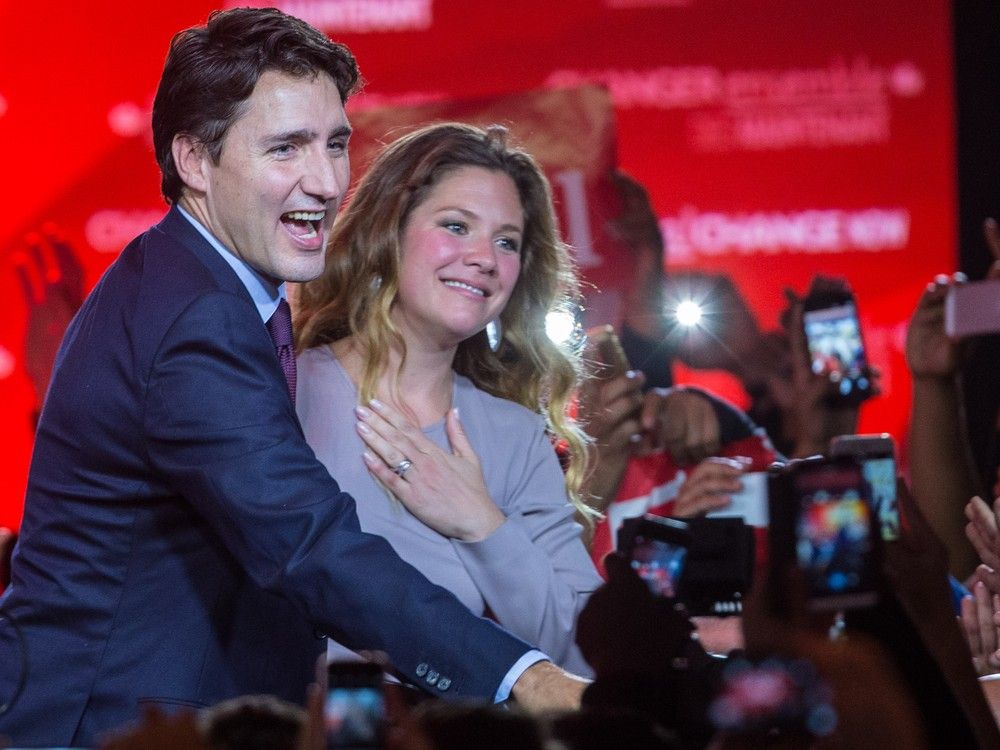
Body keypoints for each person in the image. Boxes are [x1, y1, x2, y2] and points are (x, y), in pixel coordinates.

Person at [0, 9, 584, 747]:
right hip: (112, 721)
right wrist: (526, 681)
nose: (325, 181)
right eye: (286, 149)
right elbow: (309, 546)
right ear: (195, 161)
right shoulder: (194, 317)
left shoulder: (204, 287)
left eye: (335, 144)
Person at [294, 123, 602, 674]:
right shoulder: (286, 390)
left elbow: (583, 650)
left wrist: (480, 522)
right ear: (389, 231)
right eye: (457, 226)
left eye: (506, 241)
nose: (484, 257)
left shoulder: (515, 436)